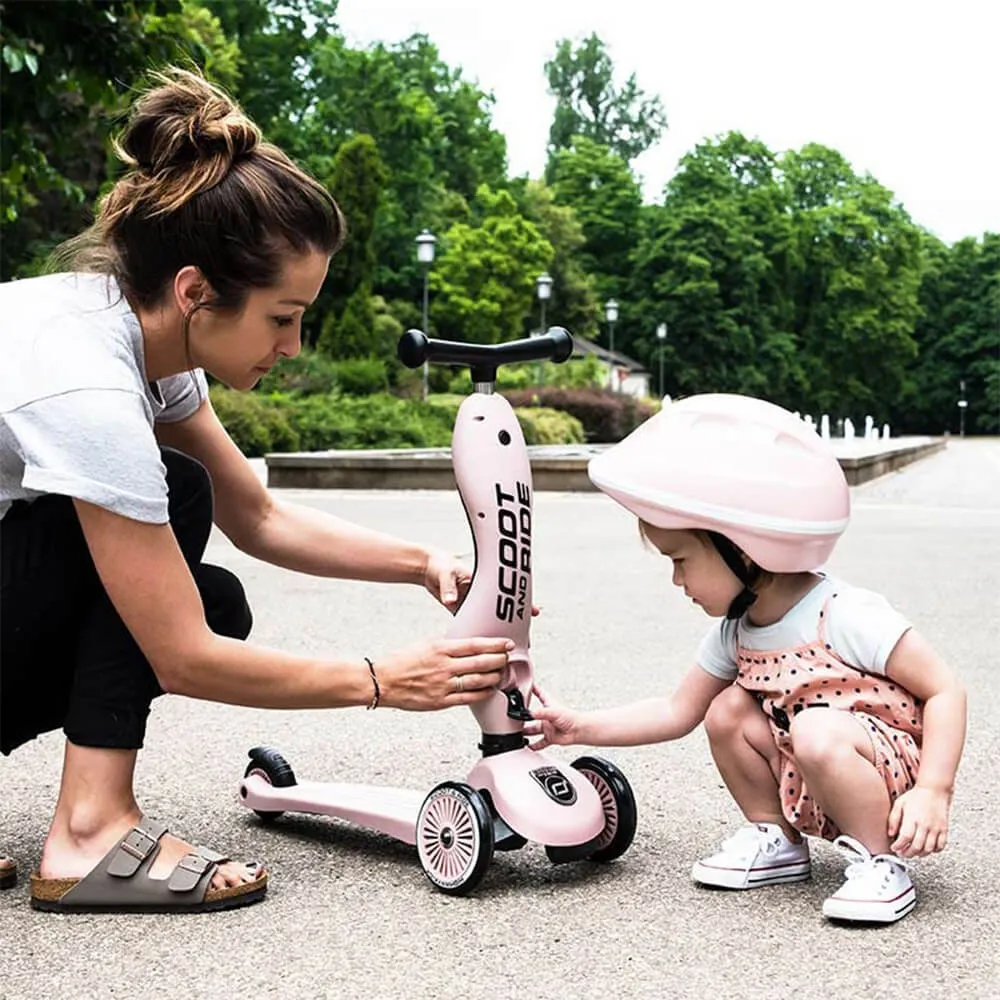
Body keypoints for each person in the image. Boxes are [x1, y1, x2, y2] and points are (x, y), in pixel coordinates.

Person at [0, 67, 512, 914]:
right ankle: (90, 830)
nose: (297, 344)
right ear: (196, 291)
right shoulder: (85, 386)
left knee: (210, 585)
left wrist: (425, 563)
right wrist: (384, 679)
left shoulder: (130, 334)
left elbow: (260, 515)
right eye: (282, 316)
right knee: (176, 512)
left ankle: (89, 820)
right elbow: (180, 655)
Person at [525, 393, 966, 925]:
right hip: (809, 760)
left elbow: (945, 690)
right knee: (727, 710)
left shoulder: (843, 613)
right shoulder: (737, 632)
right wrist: (578, 727)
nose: (676, 580)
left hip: (886, 771)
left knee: (817, 730)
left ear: (745, 547)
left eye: (681, 559)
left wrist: (933, 791)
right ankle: (776, 837)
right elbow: (675, 711)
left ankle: (881, 862)